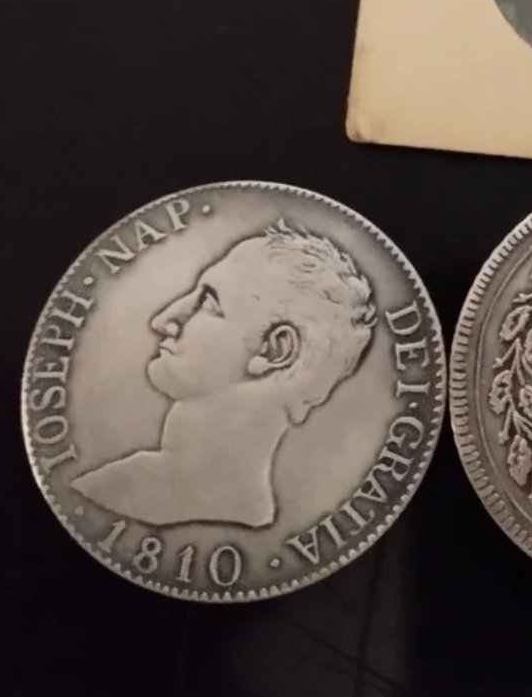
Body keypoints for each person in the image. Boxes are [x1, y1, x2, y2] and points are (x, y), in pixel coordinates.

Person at [71, 219, 377, 528]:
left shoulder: (117, 494)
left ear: (274, 350)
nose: (163, 320)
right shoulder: (125, 483)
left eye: (208, 302)